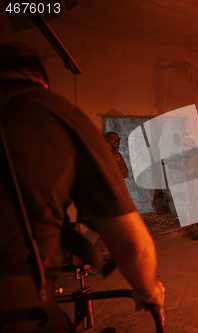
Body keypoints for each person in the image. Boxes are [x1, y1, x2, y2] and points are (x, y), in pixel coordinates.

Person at [0, 42, 164, 332]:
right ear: (42, 82)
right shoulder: (54, 112)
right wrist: (147, 287)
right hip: (21, 314)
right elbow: (132, 247)